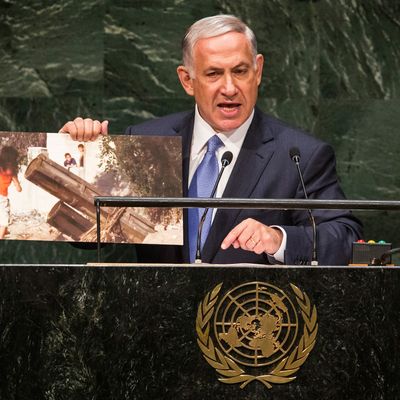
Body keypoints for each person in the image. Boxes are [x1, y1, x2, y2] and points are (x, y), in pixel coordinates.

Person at [59, 14, 363, 265]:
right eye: (214, 74)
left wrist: (278, 239)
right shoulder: (146, 142)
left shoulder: (299, 155)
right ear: (187, 80)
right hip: (155, 326)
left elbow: (346, 238)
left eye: (240, 71)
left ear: (258, 71)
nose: (229, 87)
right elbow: (91, 235)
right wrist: (75, 161)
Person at [0, 146, 22, 239]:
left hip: (3, 197)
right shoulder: (13, 173)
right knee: (4, 218)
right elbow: (19, 189)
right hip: (2, 197)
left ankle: (3, 231)